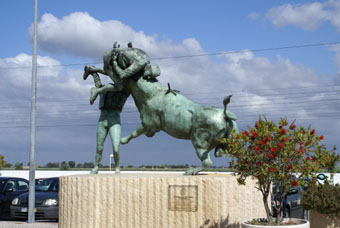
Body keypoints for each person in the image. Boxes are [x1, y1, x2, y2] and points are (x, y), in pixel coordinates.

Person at [83, 42, 160, 105]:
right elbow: (122, 75)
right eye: (148, 75)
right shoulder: (139, 65)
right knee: (119, 86)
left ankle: (90, 69)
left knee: (111, 73)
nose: (147, 77)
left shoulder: (146, 58)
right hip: (111, 57)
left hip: (115, 52)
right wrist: (114, 62)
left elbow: (133, 52)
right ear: (148, 69)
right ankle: (96, 91)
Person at [90, 88, 130, 174]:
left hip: (114, 121)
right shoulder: (102, 90)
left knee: (116, 148)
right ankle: (96, 166)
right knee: (99, 147)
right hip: (102, 120)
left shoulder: (123, 90)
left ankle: (117, 167)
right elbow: (91, 100)